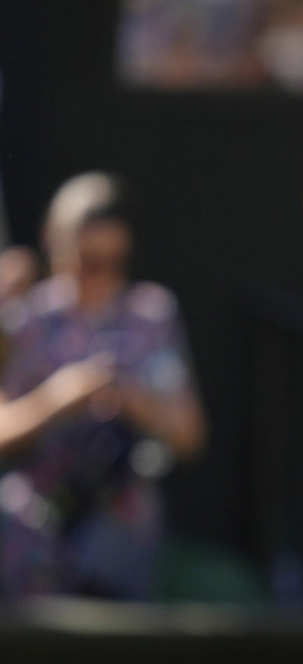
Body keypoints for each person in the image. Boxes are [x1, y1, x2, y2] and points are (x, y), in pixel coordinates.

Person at [0, 171, 205, 599]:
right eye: (90, 262)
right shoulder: (26, 318)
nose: (103, 276)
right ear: (54, 241)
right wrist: (61, 397)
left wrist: (127, 396)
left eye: (116, 263)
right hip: (34, 527)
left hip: (117, 528)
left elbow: (189, 435)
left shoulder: (150, 314)